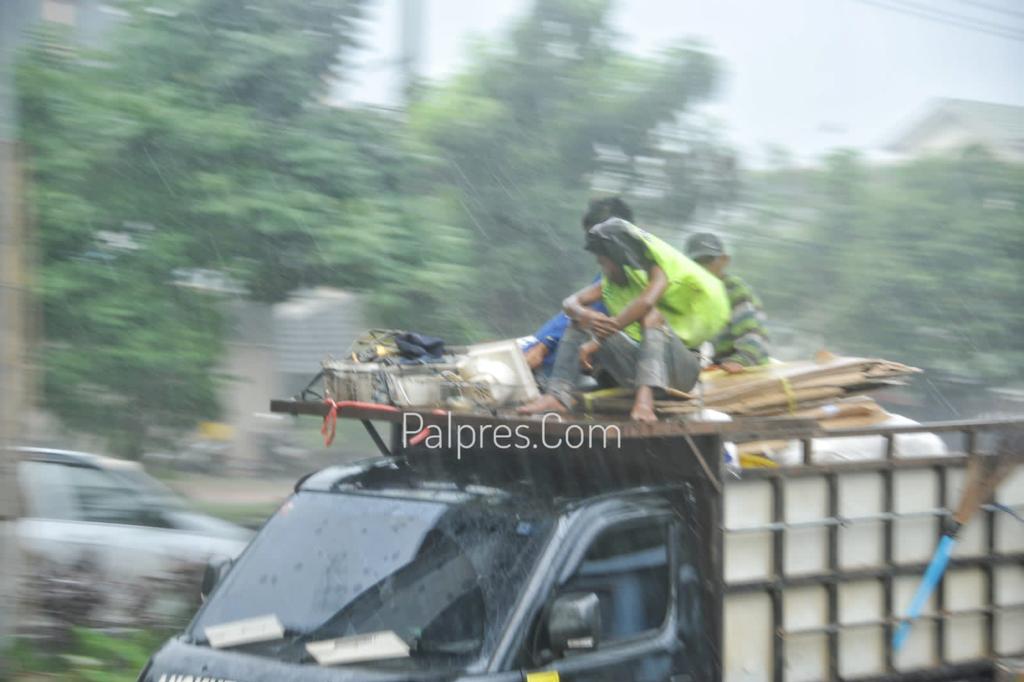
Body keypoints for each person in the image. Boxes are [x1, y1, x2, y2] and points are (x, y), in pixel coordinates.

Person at [518, 218, 730, 422]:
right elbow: (571, 302)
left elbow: (646, 303)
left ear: (619, 255)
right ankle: (557, 396)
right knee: (578, 320)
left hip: (679, 372)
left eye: (604, 261)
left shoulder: (659, 270)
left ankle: (644, 401)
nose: (602, 266)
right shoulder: (615, 278)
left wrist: (604, 333)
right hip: (639, 367)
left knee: (652, 315)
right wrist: (587, 316)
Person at [522, 197, 634, 373]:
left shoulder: (640, 272)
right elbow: (575, 305)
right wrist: (543, 342)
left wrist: (543, 345)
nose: (594, 251)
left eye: (595, 242)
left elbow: (600, 313)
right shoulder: (611, 270)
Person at [684, 232, 770, 373]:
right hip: (715, 368)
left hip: (747, 369)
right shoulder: (690, 293)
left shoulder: (734, 290)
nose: (703, 266)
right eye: (697, 261)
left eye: (708, 260)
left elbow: (752, 333)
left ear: (724, 260)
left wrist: (741, 360)